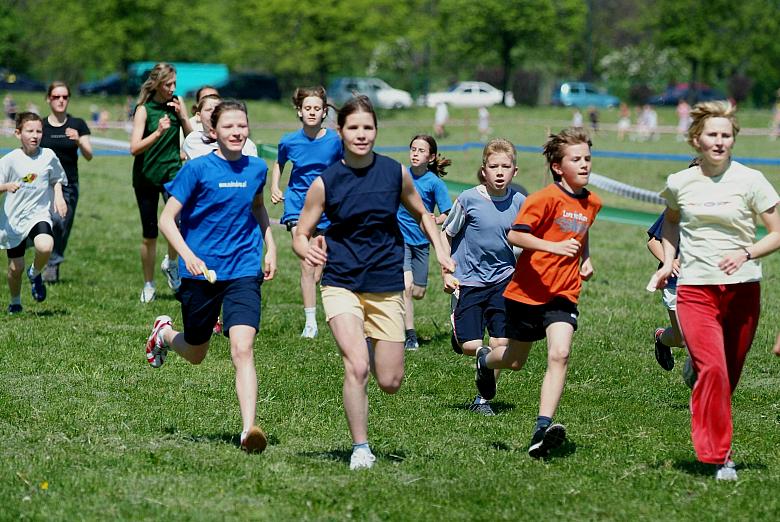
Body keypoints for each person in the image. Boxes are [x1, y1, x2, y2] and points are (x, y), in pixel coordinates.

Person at [292, 96, 455, 470]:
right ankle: (361, 447)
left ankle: (369, 342)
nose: (361, 134)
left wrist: (442, 251)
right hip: (341, 282)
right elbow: (301, 233)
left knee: (390, 380)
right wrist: (306, 250)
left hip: (385, 283)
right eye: (353, 128)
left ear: (376, 131)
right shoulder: (326, 182)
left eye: (368, 127)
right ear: (341, 132)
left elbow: (424, 214)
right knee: (357, 366)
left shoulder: (394, 173)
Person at [652, 101, 780, 481]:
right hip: (695, 288)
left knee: (729, 374)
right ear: (697, 139)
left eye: (726, 135)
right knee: (715, 370)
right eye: (713, 134)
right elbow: (670, 224)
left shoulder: (752, 180)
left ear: (733, 139)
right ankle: (718, 455)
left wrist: (747, 251)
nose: (720, 141)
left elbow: (777, 232)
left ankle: (706, 398)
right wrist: (667, 261)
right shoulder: (680, 182)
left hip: (742, 290)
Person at [144, 100, 276, 453]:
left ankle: (248, 430)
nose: (237, 132)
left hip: (244, 270)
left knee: (242, 348)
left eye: (242, 126)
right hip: (200, 274)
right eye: (229, 126)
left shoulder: (257, 168)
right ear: (213, 131)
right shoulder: (197, 170)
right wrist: (188, 256)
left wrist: (271, 246)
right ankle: (164, 334)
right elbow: (166, 220)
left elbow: (259, 207)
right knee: (197, 352)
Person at [475, 127, 601, 458]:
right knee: (514, 361)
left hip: (563, 293)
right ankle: (486, 361)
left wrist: (584, 259)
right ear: (558, 167)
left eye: (588, 158)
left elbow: (581, 233)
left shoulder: (593, 202)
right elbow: (516, 237)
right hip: (527, 292)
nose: (585, 164)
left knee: (560, 353)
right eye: (577, 159)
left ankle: (541, 428)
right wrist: (554, 247)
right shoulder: (543, 199)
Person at [442, 138, 525, 415]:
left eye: (505, 166)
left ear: (515, 171)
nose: (499, 172)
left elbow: (526, 242)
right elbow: (447, 233)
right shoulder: (468, 199)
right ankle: (469, 343)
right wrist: (446, 270)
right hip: (468, 280)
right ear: (483, 170)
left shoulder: (520, 202)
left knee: (501, 344)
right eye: (493, 166)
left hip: (504, 280)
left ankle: (482, 401)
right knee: (470, 346)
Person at [270, 86, 342, 338]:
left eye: (317, 108)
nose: (312, 112)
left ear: (324, 112)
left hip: (326, 206)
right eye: (307, 108)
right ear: (299, 111)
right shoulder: (289, 141)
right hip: (297, 205)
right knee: (307, 263)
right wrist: (275, 186)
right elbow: (279, 163)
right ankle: (310, 321)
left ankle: (326, 305)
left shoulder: (335, 141)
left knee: (319, 265)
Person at [130, 62, 193, 303]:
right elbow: (134, 148)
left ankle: (172, 263)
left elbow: (191, 138)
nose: (173, 88)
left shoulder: (176, 103)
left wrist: (183, 116)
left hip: (173, 174)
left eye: (175, 84)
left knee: (178, 224)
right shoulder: (144, 110)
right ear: (156, 84)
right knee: (150, 234)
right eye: (168, 84)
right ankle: (149, 284)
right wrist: (157, 132)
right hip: (146, 176)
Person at [0, 113, 68, 313]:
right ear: (18, 133)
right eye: (29, 131)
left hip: (38, 214)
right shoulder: (10, 159)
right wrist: (6, 186)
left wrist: (58, 195)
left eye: (39, 131)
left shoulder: (48, 155)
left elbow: (56, 178)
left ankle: (35, 273)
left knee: (45, 245)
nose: (35, 135)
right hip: (13, 220)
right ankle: (15, 302)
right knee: (15, 268)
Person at [398, 135, 452, 350]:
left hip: (421, 242)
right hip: (399, 238)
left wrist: (435, 220)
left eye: (421, 151)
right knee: (406, 287)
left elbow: (447, 213)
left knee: (418, 292)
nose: (415, 153)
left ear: (430, 157)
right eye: (413, 149)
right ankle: (409, 335)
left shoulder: (434, 183)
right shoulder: (402, 176)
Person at [40, 81, 93, 283]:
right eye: (56, 97)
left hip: (68, 184)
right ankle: (39, 257)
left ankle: (52, 264)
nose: (61, 100)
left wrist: (79, 140)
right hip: (42, 184)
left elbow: (89, 155)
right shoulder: (41, 125)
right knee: (42, 222)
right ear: (48, 99)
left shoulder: (77, 124)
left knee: (60, 223)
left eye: (64, 97)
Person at [183, 95, 257, 160]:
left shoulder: (247, 144)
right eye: (209, 110)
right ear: (198, 116)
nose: (213, 113)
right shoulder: (194, 139)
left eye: (217, 110)